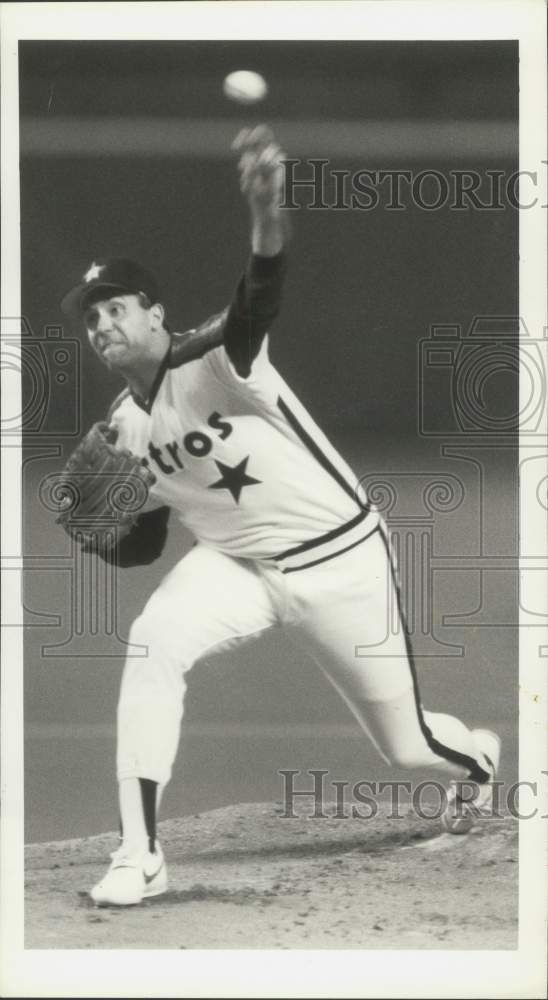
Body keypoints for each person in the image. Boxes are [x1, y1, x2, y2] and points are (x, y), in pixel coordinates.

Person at [60, 125, 500, 907]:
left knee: (410, 747)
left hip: (340, 561)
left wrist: (268, 208)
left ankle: (481, 765)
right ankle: (141, 852)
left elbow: (260, 291)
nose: (103, 326)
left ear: (156, 315)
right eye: (92, 319)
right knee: (153, 642)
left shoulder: (215, 358)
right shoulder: (121, 429)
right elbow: (145, 544)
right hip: (234, 567)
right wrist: (102, 538)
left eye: (116, 307)